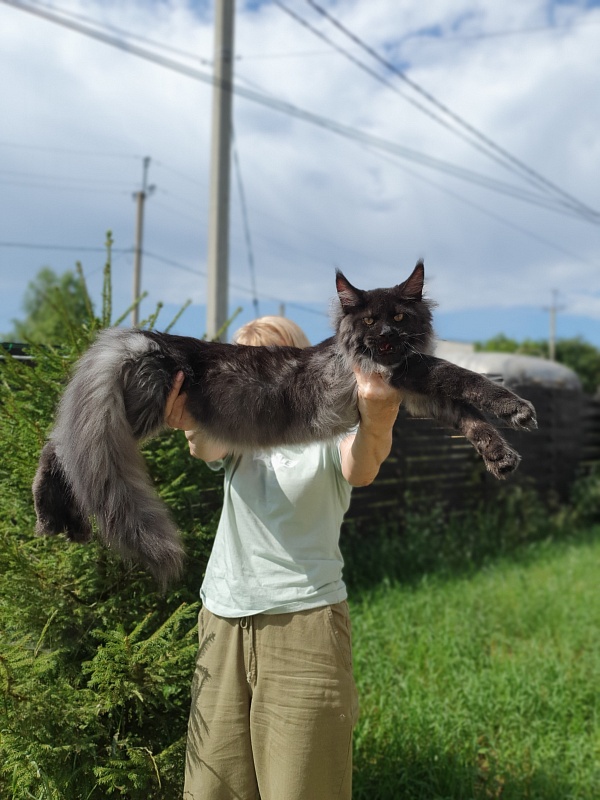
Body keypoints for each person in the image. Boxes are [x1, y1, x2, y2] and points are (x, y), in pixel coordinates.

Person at [164, 316, 403, 800]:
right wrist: (191, 419)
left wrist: (378, 416)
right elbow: (205, 444)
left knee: (302, 789)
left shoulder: (329, 426)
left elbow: (363, 464)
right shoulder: (238, 429)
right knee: (212, 789)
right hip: (222, 623)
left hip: (305, 628)